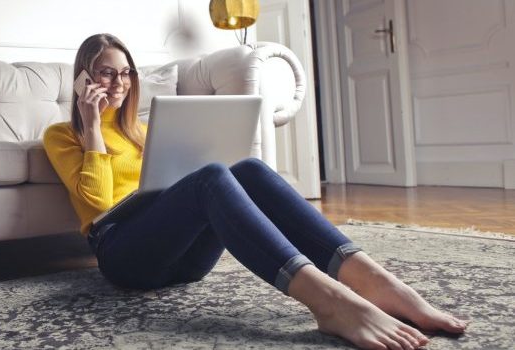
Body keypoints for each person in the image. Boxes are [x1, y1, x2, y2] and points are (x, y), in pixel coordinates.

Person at [43, 33, 467, 350]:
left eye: (125, 72)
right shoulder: (62, 135)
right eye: (105, 72)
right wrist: (93, 126)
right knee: (210, 176)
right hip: (124, 255)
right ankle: (329, 301)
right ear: (84, 77)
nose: (118, 81)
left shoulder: (147, 132)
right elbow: (97, 202)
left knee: (247, 168)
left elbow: (179, 191)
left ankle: (373, 280)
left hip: (184, 261)